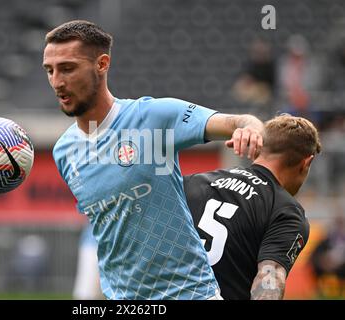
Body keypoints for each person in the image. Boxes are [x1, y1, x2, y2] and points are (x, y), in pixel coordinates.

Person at [44, 20, 264, 300]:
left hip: (190, 294)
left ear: (102, 64)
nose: (56, 81)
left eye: (67, 68)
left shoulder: (154, 117)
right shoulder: (64, 151)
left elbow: (238, 120)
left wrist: (252, 129)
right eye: (49, 70)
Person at [183, 114, 322, 299]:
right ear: (307, 162)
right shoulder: (286, 212)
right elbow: (269, 278)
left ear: (259, 150)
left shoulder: (193, 181)